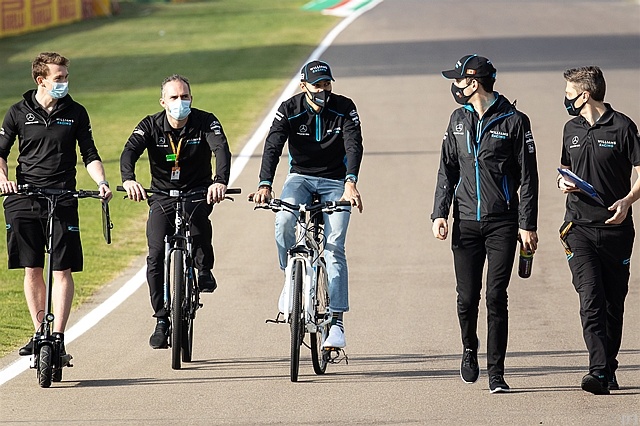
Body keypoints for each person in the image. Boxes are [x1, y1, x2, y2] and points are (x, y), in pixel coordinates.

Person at [431, 54, 539, 393]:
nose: (455, 86)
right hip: (465, 222)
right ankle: (468, 347)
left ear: (473, 83)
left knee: (495, 295)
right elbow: (447, 169)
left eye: (458, 80)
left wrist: (527, 224)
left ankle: (496, 373)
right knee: (467, 298)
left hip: (502, 223)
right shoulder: (457, 120)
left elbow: (529, 178)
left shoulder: (516, 121)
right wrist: (439, 213)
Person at [0, 52, 113, 357]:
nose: (65, 82)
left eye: (65, 76)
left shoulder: (76, 113)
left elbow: (89, 153)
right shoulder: (17, 112)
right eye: (59, 78)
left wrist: (101, 182)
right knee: (32, 267)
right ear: (41, 80)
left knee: (62, 269)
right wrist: (3, 179)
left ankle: (59, 337)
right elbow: (0, 152)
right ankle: (39, 332)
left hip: (62, 197)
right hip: (25, 196)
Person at [251, 60, 364, 349]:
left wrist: (351, 182)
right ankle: (290, 277)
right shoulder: (289, 109)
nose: (323, 90)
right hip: (300, 177)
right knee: (284, 219)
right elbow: (273, 145)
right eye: (317, 85)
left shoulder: (344, 107)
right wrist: (265, 184)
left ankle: (336, 322)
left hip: (336, 180)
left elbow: (354, 144)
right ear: (304, 86)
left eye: (327, 84)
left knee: (334, 247)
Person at [120, 74, 232, 349]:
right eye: (174, 97)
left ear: (191, 99)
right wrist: (129, 179)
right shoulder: (150, 124)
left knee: (198, 221)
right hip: (162, 195)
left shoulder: (206, 121)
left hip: (198, 190)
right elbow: (129, 151)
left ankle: (204, 269)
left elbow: (221, 149)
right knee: (156, 253)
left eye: (184, 97)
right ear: (163, 102)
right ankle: (161, 319)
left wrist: (220, 182)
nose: (180, 102)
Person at [557, 66, 640, 395]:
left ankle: (608, 366)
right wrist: (563, 181)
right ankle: (598, 371)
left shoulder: (622, 127)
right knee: (591, 298)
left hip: (616, 230)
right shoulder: (570, 128)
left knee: (612, 304)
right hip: (578, 227)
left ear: (585, 95)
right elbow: (565, 167)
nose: (565, 100)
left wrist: (628, 200)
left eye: (568, 94)